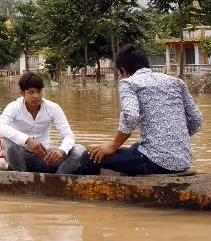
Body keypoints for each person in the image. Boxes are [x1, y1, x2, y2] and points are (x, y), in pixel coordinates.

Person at [81, 43, 203, 176]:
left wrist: (113, 145)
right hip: (184, 160)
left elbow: (131, 115)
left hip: (157, 161)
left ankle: (93, 191)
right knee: (135, 147)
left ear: (124, 71)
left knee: (89, 156)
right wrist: (175, 138)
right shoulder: (176, 82)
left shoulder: (129, 82)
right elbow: (196, 119)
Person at [0, 71, 86, 174]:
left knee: (80, 150)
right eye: (31, 92)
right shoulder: (14, 107)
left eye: (39, 91)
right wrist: (27, 140)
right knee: (7, 141)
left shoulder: (53, 108)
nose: (36, 96)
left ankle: (56, 181)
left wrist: (61, 150)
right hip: (21, 158)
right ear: (22, 93)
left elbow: (69, 136)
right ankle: (22, 178)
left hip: (45, 158)